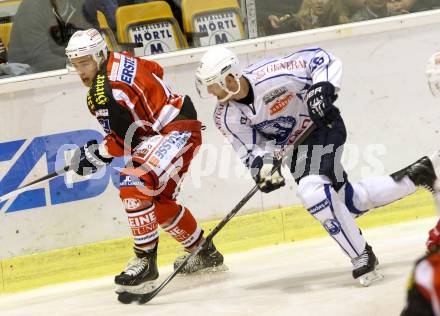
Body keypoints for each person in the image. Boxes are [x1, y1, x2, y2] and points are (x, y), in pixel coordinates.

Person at [194, 46, 438, 286]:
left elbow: (322, 59)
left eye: (213, 83)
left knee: (313, 192)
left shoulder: (271, 73)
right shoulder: (225, 116)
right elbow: (251, 148)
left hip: (323, 126)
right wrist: (263, 167)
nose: (211, 91)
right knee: (348, 202)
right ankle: (419, 174)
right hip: (296, 150)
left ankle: (361, 256)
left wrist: (322, 88)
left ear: (230, 77)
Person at [64, 29, 224, 296]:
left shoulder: (105, 92)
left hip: (174, 131)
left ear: (100, 55)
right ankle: (205, 253)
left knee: (133, 181)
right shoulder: (120, 59)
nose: (81, 71)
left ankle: (144, 260)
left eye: (85, 62)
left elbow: (128, 139)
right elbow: (155, 69)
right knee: (157, 205)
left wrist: (96, 154)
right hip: (174, 126)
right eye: (76, 64)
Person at [8, 0, 91, 73]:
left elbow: (92, 37)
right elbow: (41, 57)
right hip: (29, 77)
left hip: (69, 68)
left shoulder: (79, 3)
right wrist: (78, 63)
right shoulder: (31, 8)